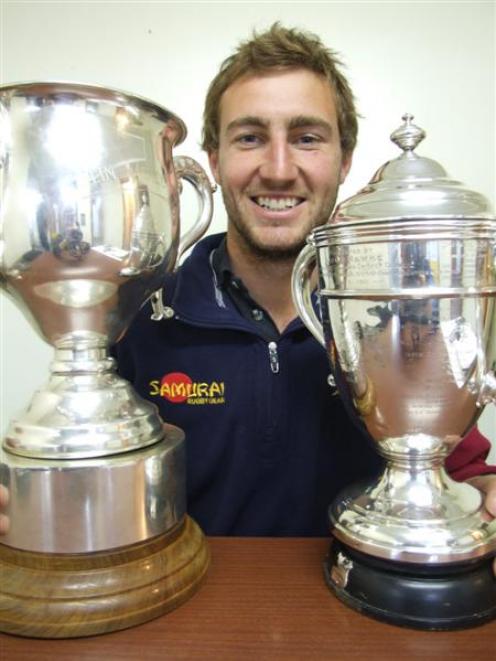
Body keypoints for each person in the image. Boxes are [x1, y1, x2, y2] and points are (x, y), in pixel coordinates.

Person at [1, 24, 494, 539]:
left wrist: (485, 493)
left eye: (306, 138)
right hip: (184, 604)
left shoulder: (405, 310)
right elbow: (90, 478)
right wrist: (28, 500)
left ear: (344, 160)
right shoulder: (138, 316)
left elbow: (459, 475)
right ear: (213, 161)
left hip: (362, 604)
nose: (278, 170)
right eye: (250, 137)